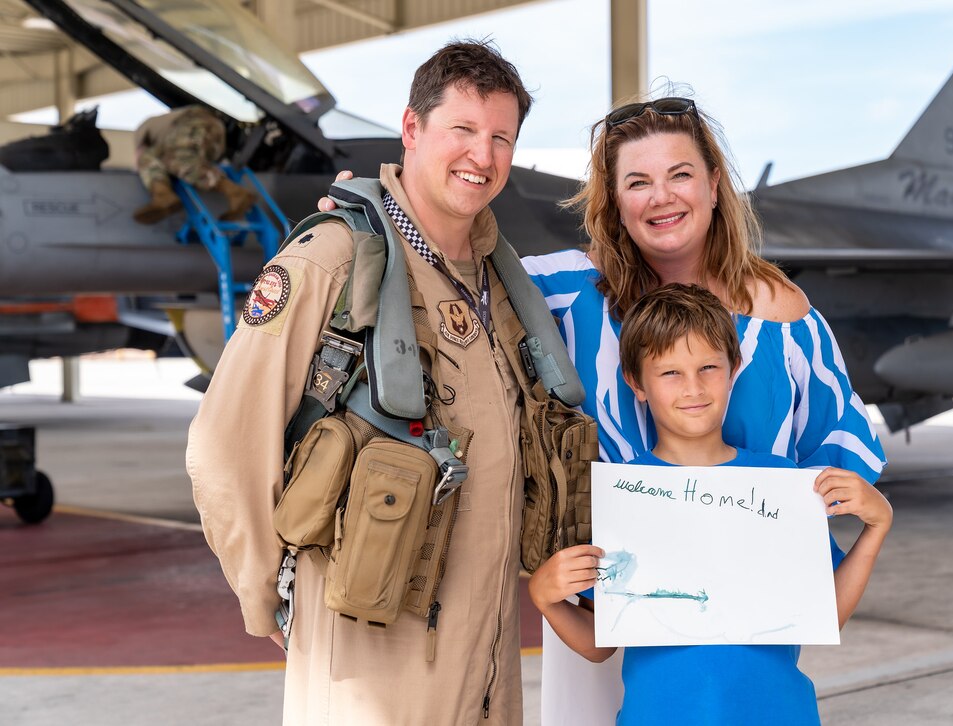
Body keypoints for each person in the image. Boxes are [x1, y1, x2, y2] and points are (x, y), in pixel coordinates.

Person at [321, 94, 887, 721]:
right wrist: (373, 218)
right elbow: (448, 273)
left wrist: (820, 527)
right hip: (604, 592)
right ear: (614, 201)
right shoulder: (562, 293)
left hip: (749, 633)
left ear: (714, 182)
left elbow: (833, 451)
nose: (661, 197)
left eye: (680, 175)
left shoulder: (784, 314)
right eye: (637, 182)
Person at [188, 41, 539, 724]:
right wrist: (264, 591)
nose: (484, 156)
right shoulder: (332, 260)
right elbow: (224, 443)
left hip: (488, 658)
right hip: (370, 658)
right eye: (462, 131)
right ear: (412, 130)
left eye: (502, 137)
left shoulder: (499, 281)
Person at [528, 283, 892, 725]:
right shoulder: (621, 496)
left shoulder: (780, 482)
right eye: (670, 373)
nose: (693, 388)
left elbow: (826, 617)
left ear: (733, 369)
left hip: (779, 715)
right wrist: (545, 598)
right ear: (636, 383)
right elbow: (599, 643)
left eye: (708, 367)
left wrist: (876, 527)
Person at [133, 105, 256, 224]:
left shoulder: (143, 133)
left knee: (166, 160)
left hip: (192, 123)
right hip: (214, 131)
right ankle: (163, 195)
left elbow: (143, 157)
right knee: (184, 161)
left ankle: (235, 192)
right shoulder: (160, 127)